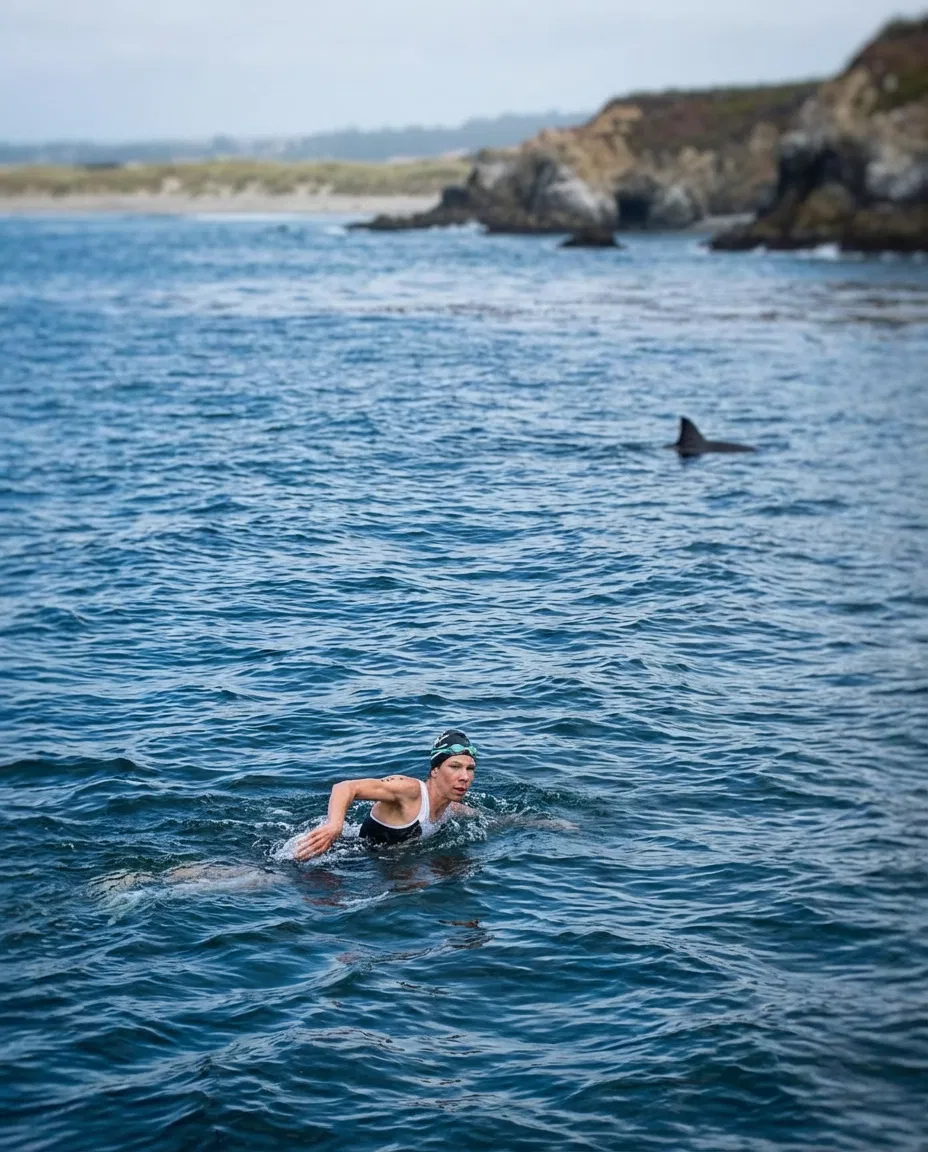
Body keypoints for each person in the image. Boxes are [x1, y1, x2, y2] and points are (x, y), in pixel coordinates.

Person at [291, 729, 478, 861]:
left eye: (470, 769)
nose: (464, 777)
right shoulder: (409, 791)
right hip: (332, 857)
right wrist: (334, 825)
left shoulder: (451, 808)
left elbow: (488, 819)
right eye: (454, 767)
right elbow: (345, 787)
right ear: (435, 770)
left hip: (371, 865)